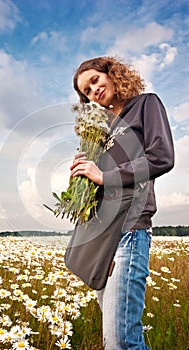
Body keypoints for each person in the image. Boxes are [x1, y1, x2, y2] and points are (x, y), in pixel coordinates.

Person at [70, 56, 174, 349]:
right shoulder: (101, 130)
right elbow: (102, 179)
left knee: (120, 342)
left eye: (95, 80)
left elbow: (162, 157)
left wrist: (103, 176)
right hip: (102, 234)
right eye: (87, 92)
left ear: (112, 73)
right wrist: (85, 170)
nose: (94, 91)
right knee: (116, 338)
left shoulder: (145, 105)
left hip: (129, 230)